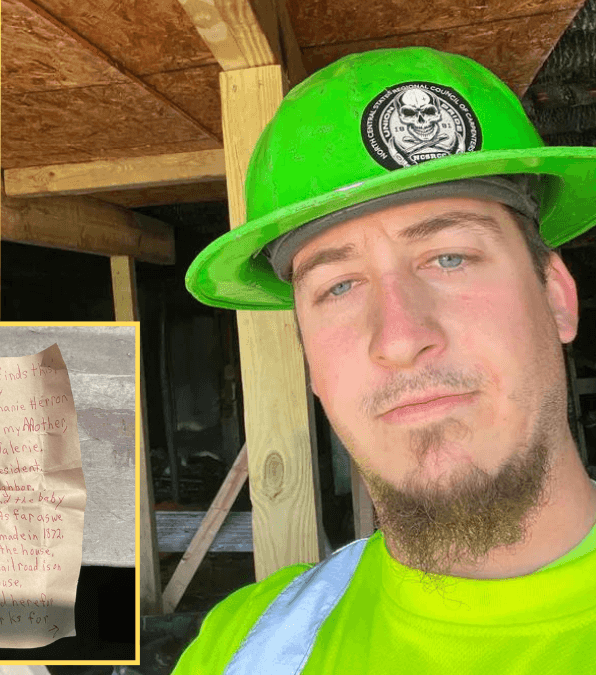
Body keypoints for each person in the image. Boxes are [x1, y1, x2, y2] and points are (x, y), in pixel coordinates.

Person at [174, 47, 596, 673]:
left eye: (449, 257)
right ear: (311, 364)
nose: (399, 338)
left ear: (557, 297)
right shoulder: (243, 649)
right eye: (339, 286)